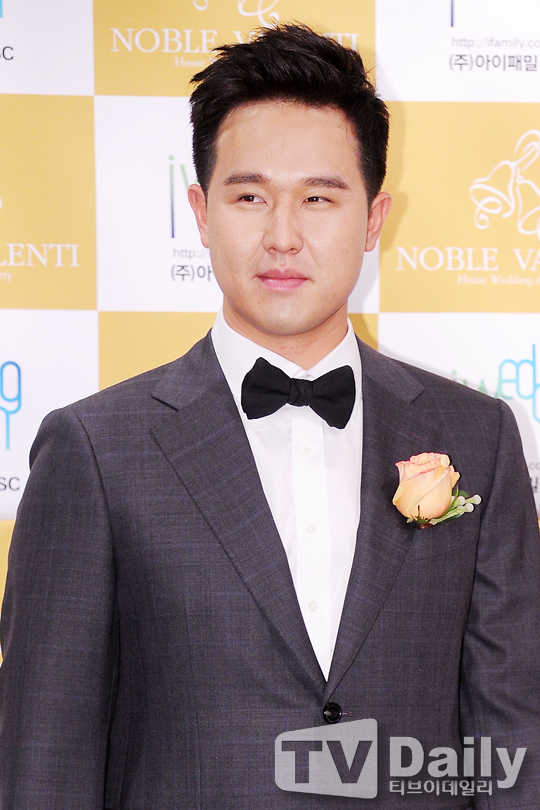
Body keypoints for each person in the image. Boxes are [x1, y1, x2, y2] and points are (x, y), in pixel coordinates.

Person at [1, 23, 539, 810]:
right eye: (250, 196)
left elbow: (512, 737)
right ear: (200, 211)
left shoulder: (475, 437)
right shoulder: (96, 449)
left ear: (374, 218)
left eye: (319, 198)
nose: (282, 236)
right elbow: (44, 758)